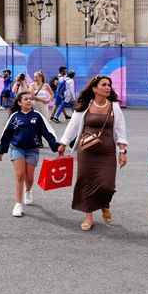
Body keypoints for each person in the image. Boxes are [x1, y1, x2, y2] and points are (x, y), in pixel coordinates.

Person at [56, 75, 128, 231]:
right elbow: (73, 126)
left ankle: (104, 204)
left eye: (109, 85)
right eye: (104, 85)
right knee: (86, 183)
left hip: (107, 152)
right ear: (95, 89)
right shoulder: (84, 106)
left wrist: (122, 151)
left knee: (107, 185)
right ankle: (88, 216)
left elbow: (121, 131)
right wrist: (63, 143)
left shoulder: (114, 107)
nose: (108, 87)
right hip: (86, 152)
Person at [0, 92, 61, 217]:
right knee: (20, 175)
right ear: (20, 103)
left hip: (33, 149)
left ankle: (28, 190)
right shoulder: (15, 116)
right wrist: (1, 150)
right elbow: (6, 134)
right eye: (26, 99)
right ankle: (18, 204)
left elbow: (47, 132)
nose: (29, 101)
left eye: (30, 99)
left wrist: (56, 145)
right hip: (17, 148)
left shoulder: (37, 116)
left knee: (30, 178)